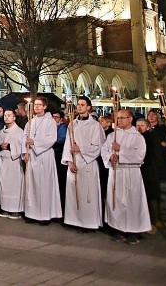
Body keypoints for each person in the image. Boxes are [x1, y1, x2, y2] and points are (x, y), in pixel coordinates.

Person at [102, 108, 151, 244]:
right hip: (116, 171)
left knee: (132, 202)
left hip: (131, 173)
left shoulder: (137, 136)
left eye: (122, 118)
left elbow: (140, 156)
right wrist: (110, 157)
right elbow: (104, 149)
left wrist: (121, 151)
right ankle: (119, 229)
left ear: (130, 119)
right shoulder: (113, 135)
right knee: (116, 201)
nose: (119, 120)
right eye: (117, 118)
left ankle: (134, 231)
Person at [61, 96, 105, 231]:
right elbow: (68, 143)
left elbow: (98, 146)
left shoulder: (95, 126)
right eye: (78, 105)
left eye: (82, 104)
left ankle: (88, 222)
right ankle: (73, 220)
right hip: (74, 162)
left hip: (88, 163)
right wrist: (69, 161)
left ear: (88, 107)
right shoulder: (72, 124)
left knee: (87, 193)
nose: (79, 107)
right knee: (74, 192)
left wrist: (81, 149)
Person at [22, 97, 62, 225]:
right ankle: (31, 213)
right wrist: (25, 152)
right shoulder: (30, 121)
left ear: (45, 107)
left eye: (39, 105)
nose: (36, 107)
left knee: (43, 186)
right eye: (35, 105)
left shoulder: (50, 122)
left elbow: (52, 139)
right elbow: (24, 138)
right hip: (32, 156)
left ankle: (44, 215)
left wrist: (35, 143)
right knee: (32, 185)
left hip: (44, 156)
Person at [0, 109, 24, 219]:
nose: (6, 117)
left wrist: (10, 147)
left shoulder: (19, 132)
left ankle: (16, 210)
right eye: (5, 115)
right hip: (4, 162)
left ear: (14, 117)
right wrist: (0, 147)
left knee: (14, 186)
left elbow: (23, 147)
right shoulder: (2, 132)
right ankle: (5, 208)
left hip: (14, 163)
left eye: (9, 115)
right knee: (4, 186)